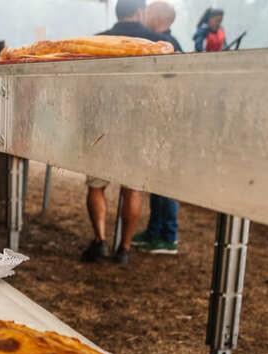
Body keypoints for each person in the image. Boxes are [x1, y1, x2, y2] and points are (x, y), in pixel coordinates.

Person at [82, 0, 169, 264]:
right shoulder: (160, 42)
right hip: (139, 125)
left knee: (96, 186)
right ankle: (125, 248)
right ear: (141, 13)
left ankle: (100, 241)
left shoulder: (97, 42)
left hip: (102, 124)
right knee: (133, 189)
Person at [131, 0, 183, 255]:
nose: (144, 14)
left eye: (149, 11)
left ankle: (168, 236)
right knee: (156, 183)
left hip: (167, 124)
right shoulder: (156, 43)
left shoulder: (169, 47)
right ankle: (154, 232)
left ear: (159, 17)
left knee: (166, 184)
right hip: (157, 123)